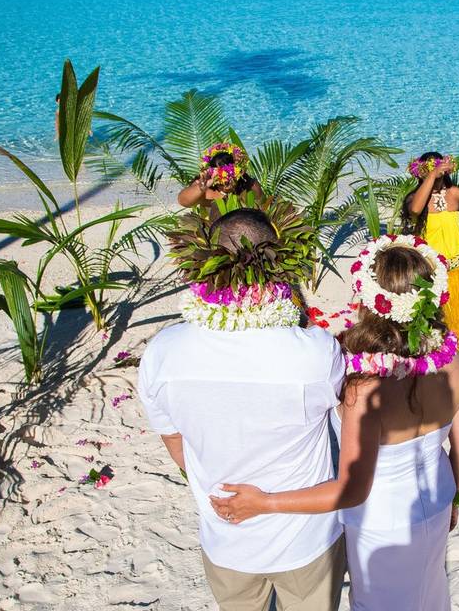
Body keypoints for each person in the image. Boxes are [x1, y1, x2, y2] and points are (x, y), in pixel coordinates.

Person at [210, 234, 459, 611]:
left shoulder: (365, 389)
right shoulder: (452, 361)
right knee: (429, 597)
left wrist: (263, 503)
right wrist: (453, 498)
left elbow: (352, 491)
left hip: (383, 524)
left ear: (371, 299)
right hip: (436, 501)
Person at [137, 199, 346, 610]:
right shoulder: (314, 354)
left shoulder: (163, 351)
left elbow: (178, 446)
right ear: (279, 265)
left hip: (225, 535)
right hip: (304, 538)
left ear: (207, 264)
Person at [402, 152, 459, 360]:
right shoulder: (415, 200)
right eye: (430, 172)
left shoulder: (456, 194)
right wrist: (432, 175)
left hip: (456, 264)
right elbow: (415, 210)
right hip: (430, 267)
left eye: (439, 172)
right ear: (422, 174)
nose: (436, 176)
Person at [178, 142, 264, 209]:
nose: (225, 182)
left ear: (238, 173)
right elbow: (183, 201)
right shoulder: (205, 189)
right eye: (219, 178)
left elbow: (264, 210)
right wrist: (201, 189)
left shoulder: (250, 186)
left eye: (228, 175)